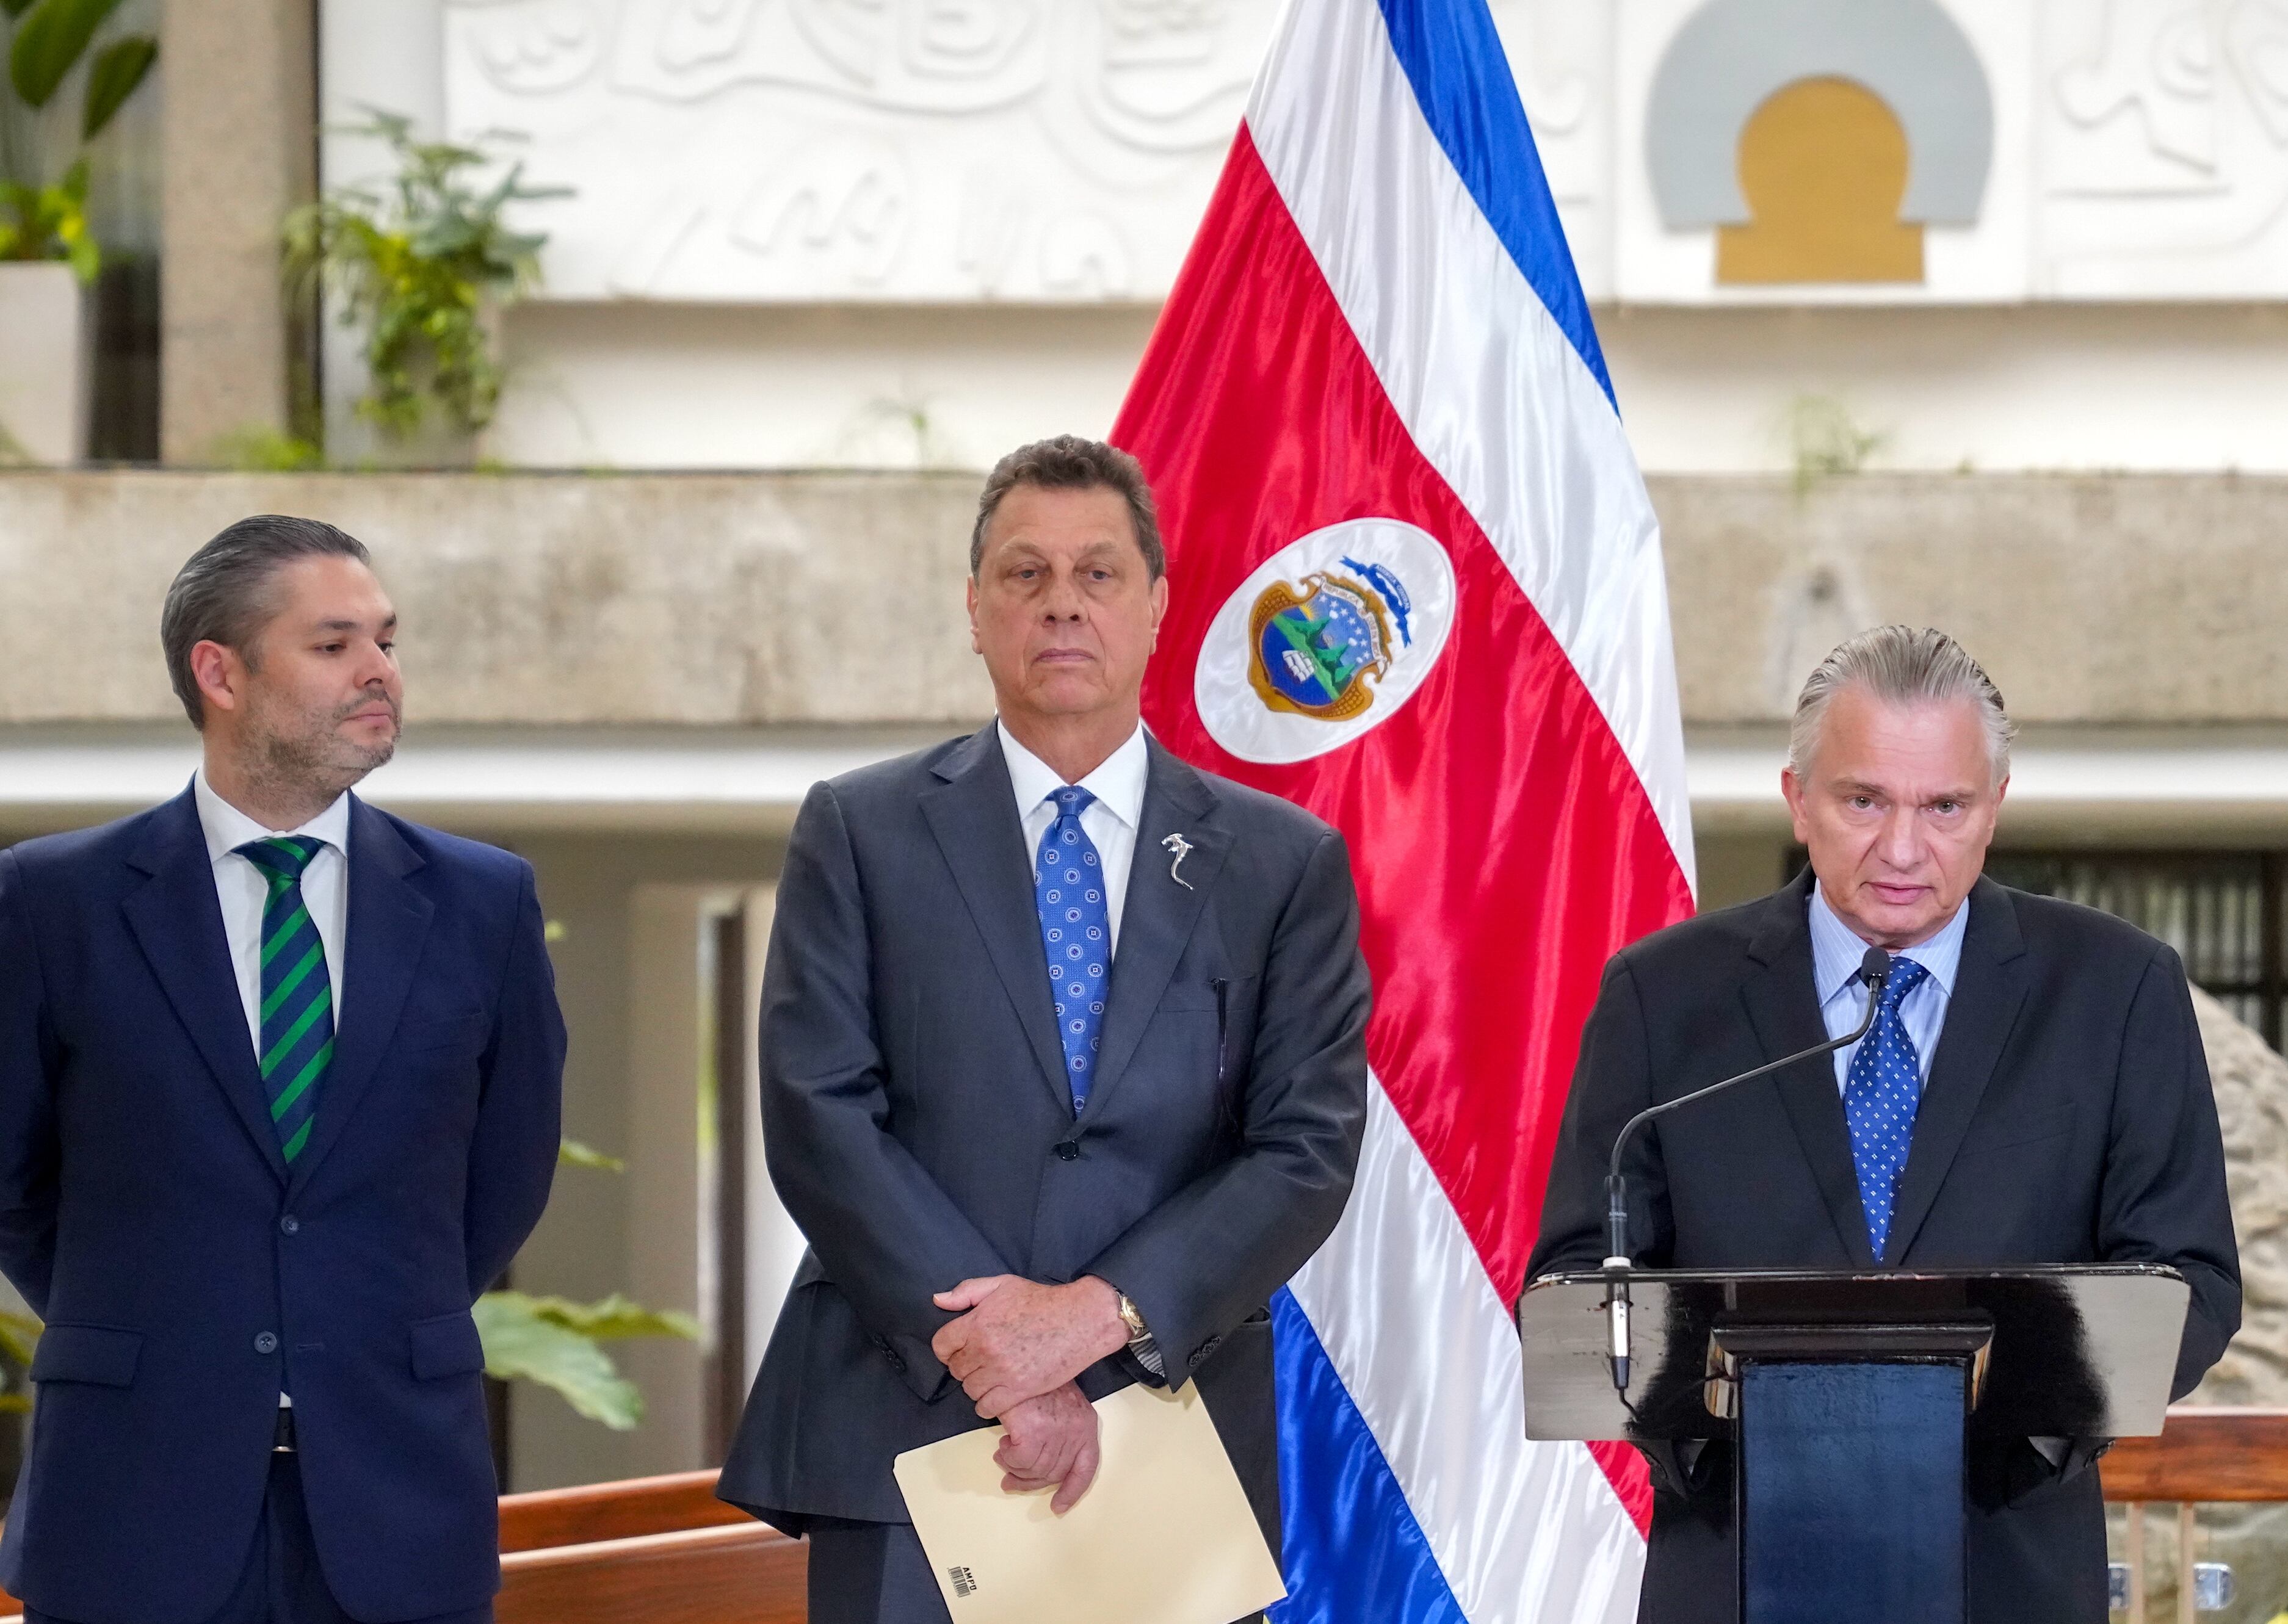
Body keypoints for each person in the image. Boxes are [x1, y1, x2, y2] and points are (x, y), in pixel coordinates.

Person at [717, 435, 1372, 1623]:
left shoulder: (1280, 865)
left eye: (1097, 572)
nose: (1061, 601)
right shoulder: (857, 832)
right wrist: (994, 1349)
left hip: (1167, 1442)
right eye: (1023, 573)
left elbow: (1304, 1147)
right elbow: (817, 1112)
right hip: (905, 1437)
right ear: (973, 609)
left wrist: (1088, 1318)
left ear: (1158, 605)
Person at [1530, 624, 2239, 1624]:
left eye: (1944, 805)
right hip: (1734, 1570)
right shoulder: (1662, 995)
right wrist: (1727, 1438)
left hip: (2011, 1567)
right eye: (1864, 800)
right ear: (1798, 800)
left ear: (1993, 807)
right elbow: (1577, 1283)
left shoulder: (2116, 990)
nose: (1903, 848)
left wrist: (2024, 1423)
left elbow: (2193, 1281)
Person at [0, 516, 566, 1624]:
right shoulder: (51, 901)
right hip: (132, 1501)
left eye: (389, 642)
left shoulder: (483, 901)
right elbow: (12, 1178)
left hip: (397, 1504)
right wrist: (159, 1313)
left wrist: (356, 1312)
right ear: (220, 671)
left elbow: (507, 1171)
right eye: (334, 643)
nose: (381, 673)